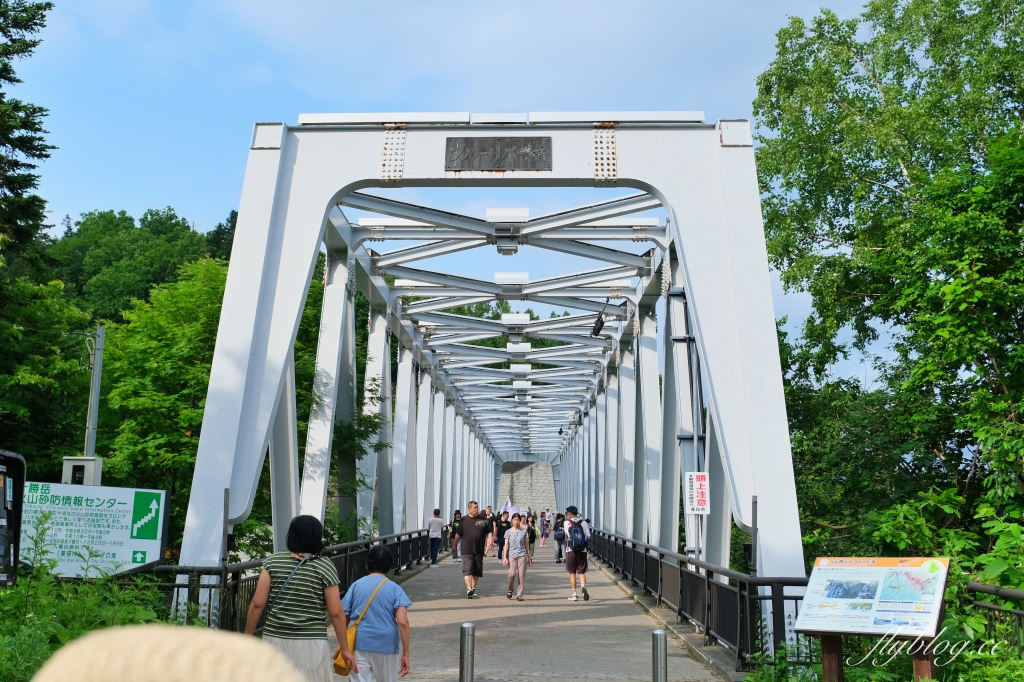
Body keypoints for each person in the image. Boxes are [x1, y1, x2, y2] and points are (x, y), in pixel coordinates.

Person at [245, 515, 357, 682]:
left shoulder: (273, 562)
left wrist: (247, 637)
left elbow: (257, 603)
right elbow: (336, 612)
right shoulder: (324, 566)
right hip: (311, 642)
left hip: (276, 638)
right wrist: (345, 648)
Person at [342, 544, 413, 681]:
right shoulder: (395, 589)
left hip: (359, 642)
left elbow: (343, 614)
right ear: (390, 565)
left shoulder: (356, 586)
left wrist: (345, 643)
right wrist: (406, 653)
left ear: (368, 564)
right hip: (386, 644)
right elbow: (403, 622)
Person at [452, 500, 489, 598]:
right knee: (467, 570)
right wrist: (454, 544)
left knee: (477, 570)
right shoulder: (463, 520)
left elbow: (489, 531)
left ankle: (473, 588)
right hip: (466, 549)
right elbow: (458, 534)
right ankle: (469, 589)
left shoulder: (483, 519)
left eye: (477, 507)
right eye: (474, 508)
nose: (477, 509)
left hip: (479, 549)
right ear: (469, 509)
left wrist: (490, 541)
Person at [564, 505, 591, 601]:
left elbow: (567, 535)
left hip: (571, 550)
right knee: (582, 572)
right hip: (582, 551)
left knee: (572, 573)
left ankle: (574, 594)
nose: (566, 514)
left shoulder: (567, 523)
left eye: (567, 513)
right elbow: (589, 536)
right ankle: (583, 586)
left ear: (570, 513)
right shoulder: (583, 522)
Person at [502, 513, 531, 600]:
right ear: (512, 521)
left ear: (520, 521)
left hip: (522, 555)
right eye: (514, 520)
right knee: (512, 574)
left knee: (521, 575)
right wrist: (504, 557)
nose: (516, 521)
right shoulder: (508, 532)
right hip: (512, 556)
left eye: (517, 520)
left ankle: (519, 594)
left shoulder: (524, 532)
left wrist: (529, 557)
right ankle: (510, 589)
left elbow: (526, 545)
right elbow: (506, 545)